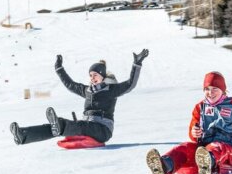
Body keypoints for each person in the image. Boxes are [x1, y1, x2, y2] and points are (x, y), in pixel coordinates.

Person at [10, 50, 149, 146]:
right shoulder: (87, 91)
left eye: (95, 75)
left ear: (102, 76)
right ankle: (24, 135)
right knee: (55, 127)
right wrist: (59, 68)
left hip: (103, 130)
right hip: (87, 126)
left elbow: (131, 84)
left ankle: (59, 125)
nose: (92, 78)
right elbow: (70, 85)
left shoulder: (111, 90)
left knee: (74, 125)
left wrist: (137, 64)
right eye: (90, 75)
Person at [146, 71, 232, 174]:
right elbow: (193, 130)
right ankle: (165, 165)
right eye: (207, 89)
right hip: (202, 151)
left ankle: (208, 162)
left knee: (217, 146)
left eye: (214, 89)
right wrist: (194, 133)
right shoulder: (200, 107)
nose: (210, 93)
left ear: (223, 90)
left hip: (227, 153)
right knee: (184, 147)